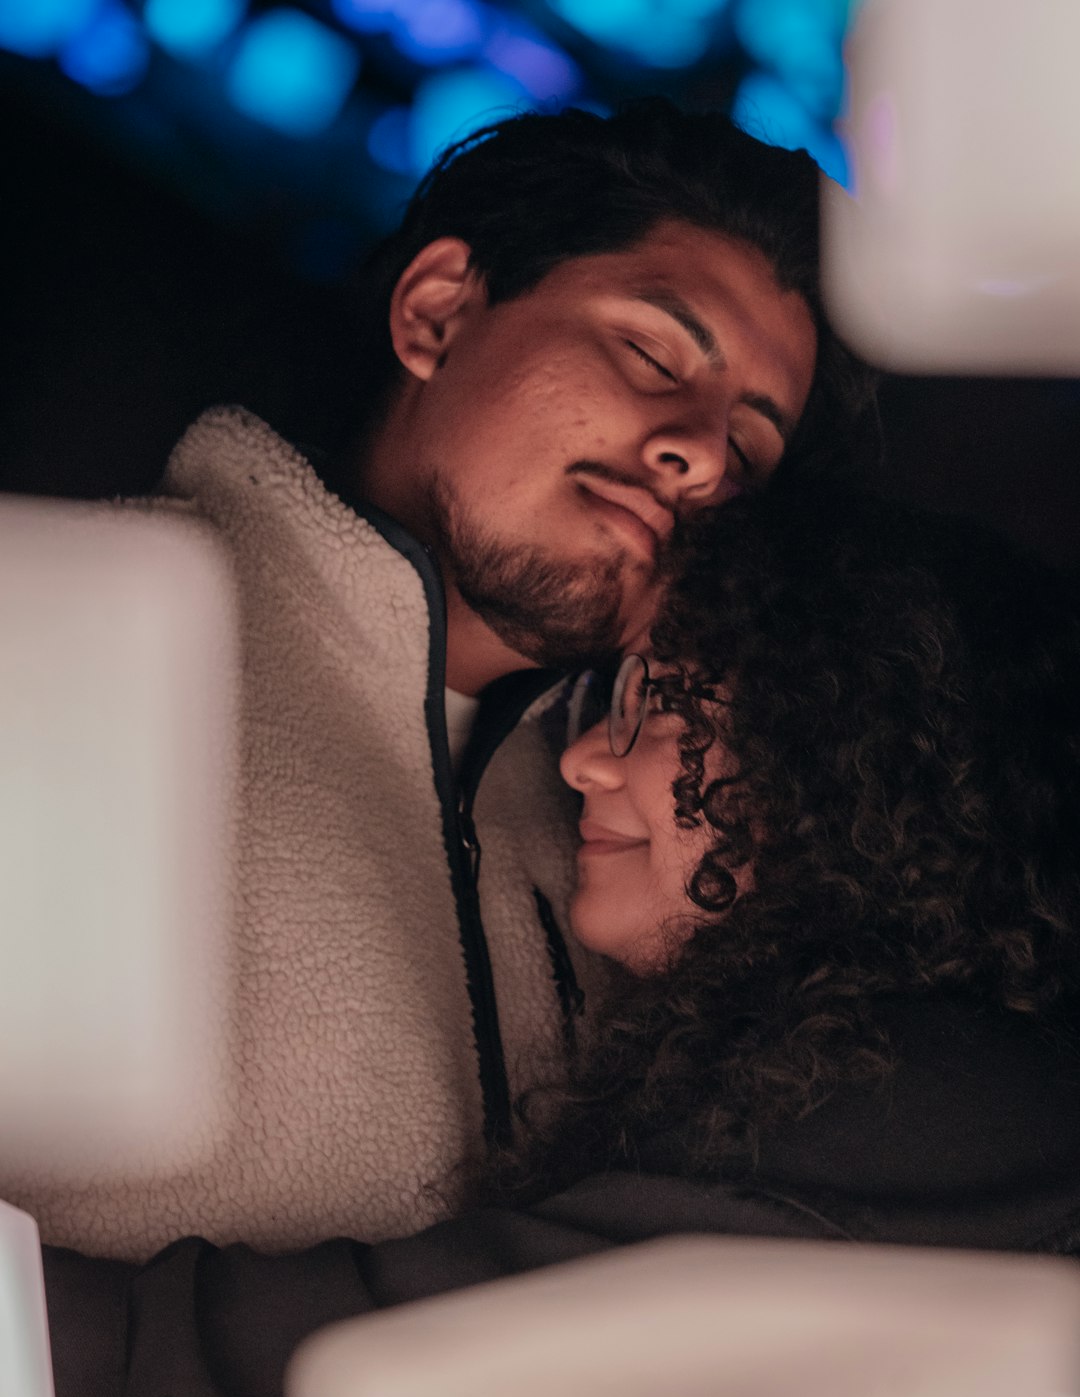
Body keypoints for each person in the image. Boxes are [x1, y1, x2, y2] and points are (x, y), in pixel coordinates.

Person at [0, 99, 874, 1263]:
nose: (702, 454)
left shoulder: (635, 842)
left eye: (749, 447)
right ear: (439, 311)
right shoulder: (57, 643)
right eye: (654, 354)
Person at [45, 486, 1080, 1397]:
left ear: (853, 774)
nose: (586, 759)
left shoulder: (923, 1109)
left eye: (666, 708)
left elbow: (353, 1376)